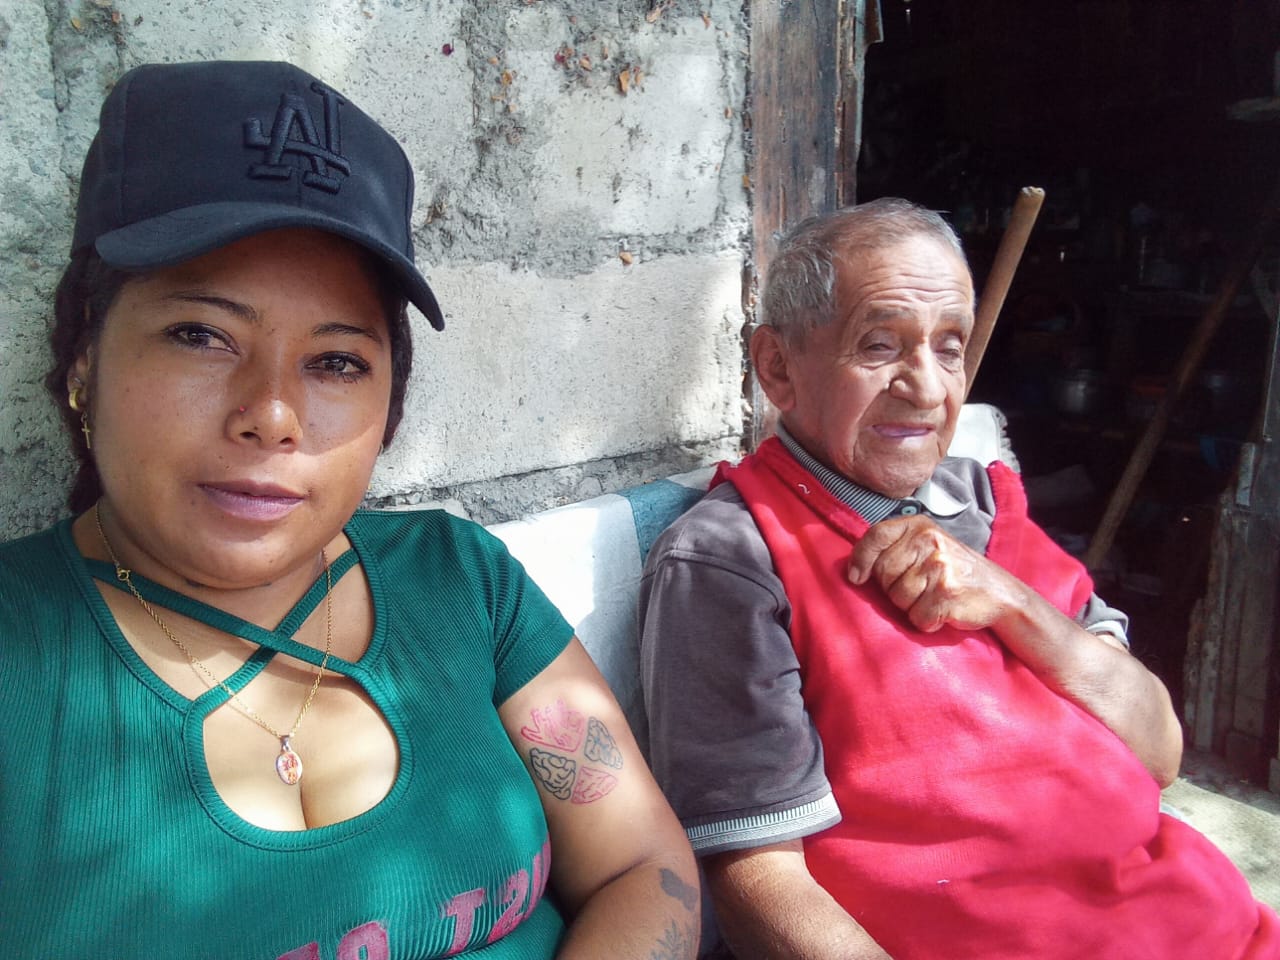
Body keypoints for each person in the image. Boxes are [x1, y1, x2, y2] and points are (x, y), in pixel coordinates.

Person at [0, 59, 699, 959]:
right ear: (83, 360)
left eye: (336, 361)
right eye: (201, 335)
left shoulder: (460, 580)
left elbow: (641, 866)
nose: (272, 415)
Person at [638, 198, 1280, 959]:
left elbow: (1159, 747)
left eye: (950, 348)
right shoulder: (735, 559)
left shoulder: (984, 501)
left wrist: (1009, 601)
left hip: (1208, 924)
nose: (927, 388)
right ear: (777, 366)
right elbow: (758, 879)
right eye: (880, 345)